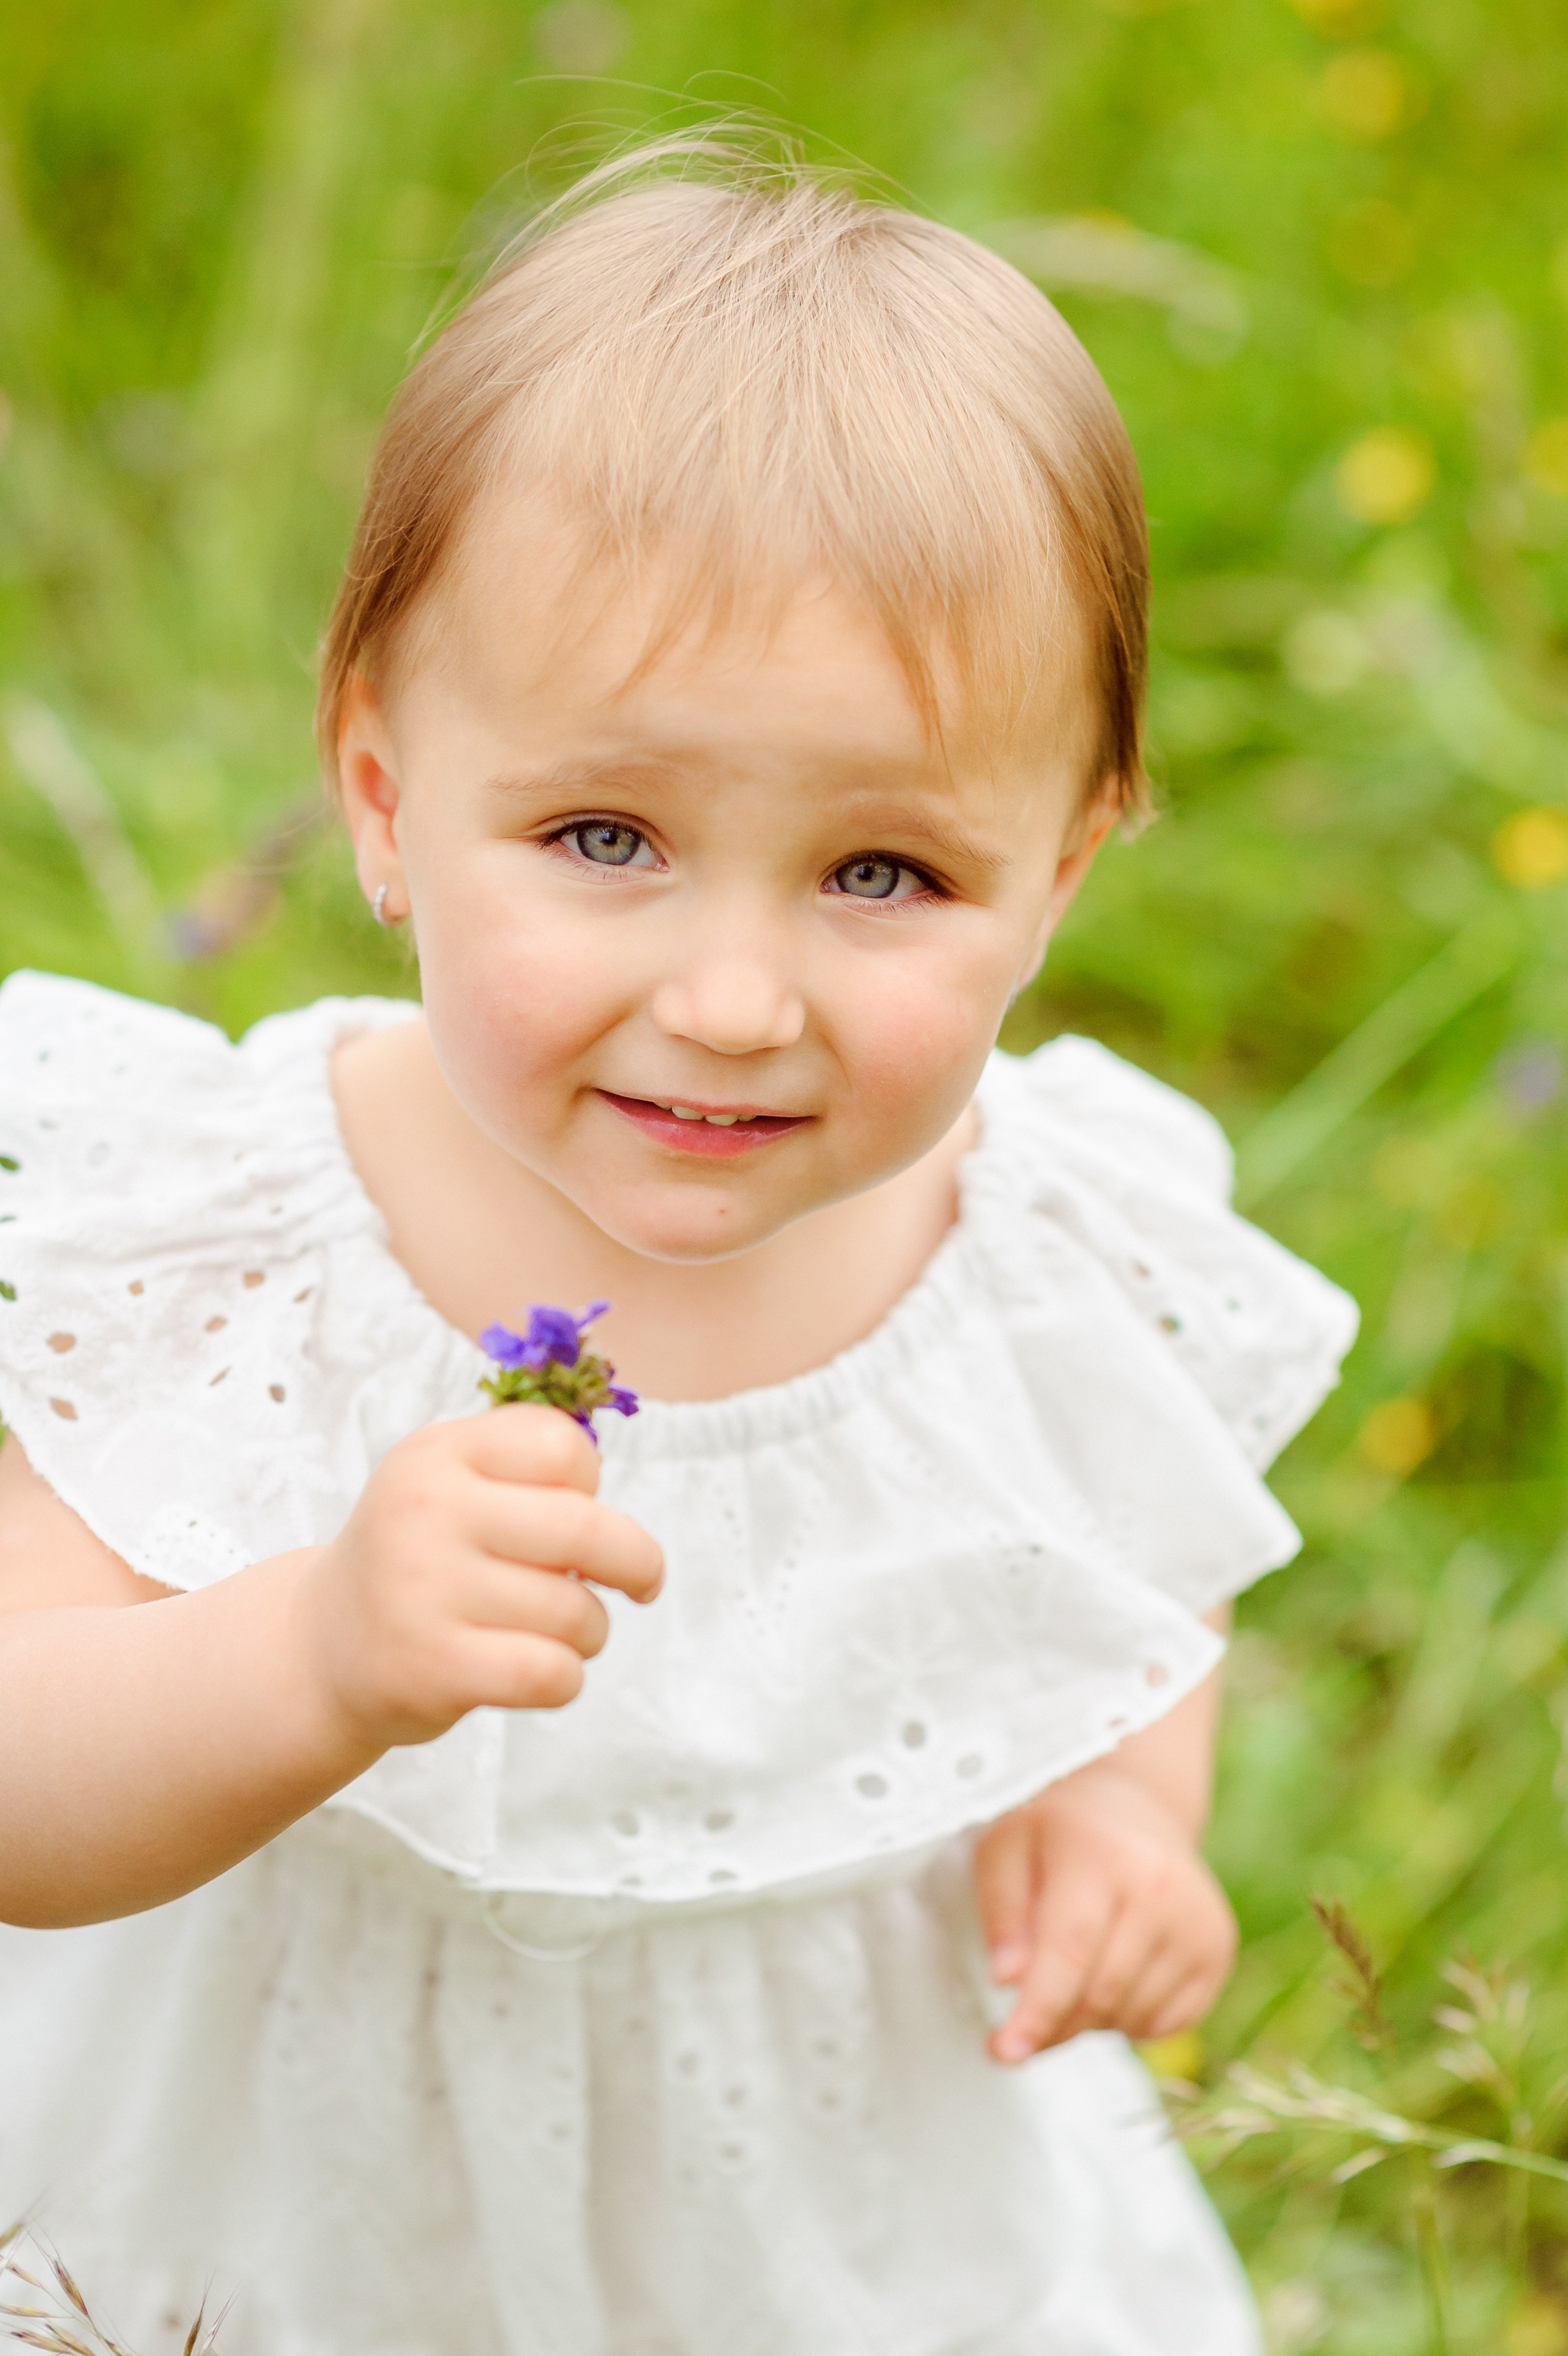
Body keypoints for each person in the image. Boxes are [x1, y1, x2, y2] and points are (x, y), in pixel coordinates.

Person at [0, 142, 1356, 2356]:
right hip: (287, 2218)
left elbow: (1135, 1567)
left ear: (1072, 870)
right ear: (376, 792)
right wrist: (314, 1657)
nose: (735, 997)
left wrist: (1123, 1815)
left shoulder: (1050, 1256)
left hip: (818, 2218)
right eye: (604, 836)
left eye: (887, 875)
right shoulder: (236, 1237)